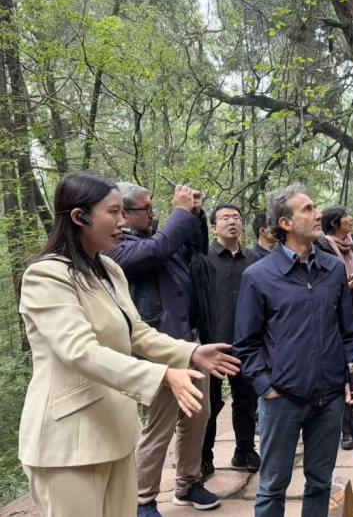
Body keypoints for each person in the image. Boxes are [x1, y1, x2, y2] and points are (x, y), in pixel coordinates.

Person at [18, 173, 240, 517]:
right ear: (80, 216)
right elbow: (80, 351)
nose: (122, 223)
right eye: (114, 212)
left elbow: (136, 332)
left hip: (116, 430)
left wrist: (191, 352)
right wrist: (164, 375)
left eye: (124, 212)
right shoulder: (46, 276)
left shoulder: (108, 269)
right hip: (68, 441)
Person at [233, 185, 353, 517]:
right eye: (307, 209)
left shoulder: (333, 269)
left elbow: (348, 333)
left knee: (320, 482)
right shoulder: (258, 276)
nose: (318, 214)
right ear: (286, 223)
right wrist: (266, 386)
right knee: (273, 486)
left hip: (329, 397)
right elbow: (246, 344)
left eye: (315, 206)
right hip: (283, 399)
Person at [107, 182, 222, 516]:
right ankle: (143, 499)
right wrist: (180, 213)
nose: (153, 212)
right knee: (159, 426)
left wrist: (196, 215)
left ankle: (188, 483)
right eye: (146, 208)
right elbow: (157, 251)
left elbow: (196, 248)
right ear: (124, 215)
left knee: (198, 416)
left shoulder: (157, 237)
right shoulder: (116, 249)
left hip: (188, 343)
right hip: (155, 351)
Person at [199, 204, 262, 480]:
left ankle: (245, 450)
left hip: (247, 342)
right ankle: (204, 457)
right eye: (225, 218)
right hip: (211, 343)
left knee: (247, 399)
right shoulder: (203, 259)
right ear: (214, 227)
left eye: (236, 217)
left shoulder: (254, 260)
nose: (232, 222)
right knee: (209, 403)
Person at [314, 206, 353, 451]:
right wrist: (341, 285)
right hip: (330, 322)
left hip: (352, 318)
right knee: (336, 375)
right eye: (347, 216)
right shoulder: (321, 248)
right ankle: (338, 427)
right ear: (335, 223)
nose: (351, 218)